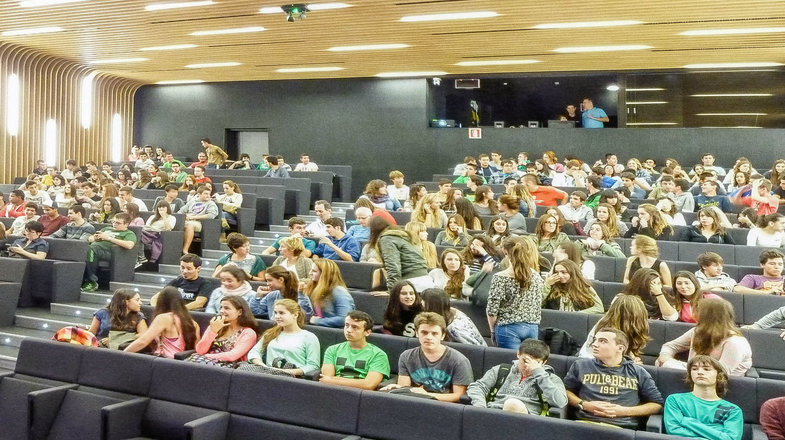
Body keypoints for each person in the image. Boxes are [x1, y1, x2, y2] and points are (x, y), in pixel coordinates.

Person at [565, 327, 663, 429]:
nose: (594, 344)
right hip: (584, 424)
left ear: (620, 348)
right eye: (595, 340)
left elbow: (657, 405)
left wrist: (624, 411)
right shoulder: (581, 365)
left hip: (620, 428)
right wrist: (583, 404)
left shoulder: (638, 372)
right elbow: (566, 391)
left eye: (602, 341)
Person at [381, 312, 473, 403]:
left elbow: (459, 396)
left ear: (443, 335)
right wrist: (400, 389)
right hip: (416, 403)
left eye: (434, 333)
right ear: (417, 333)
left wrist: (426, 395)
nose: (429, 337)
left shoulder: (459, 361)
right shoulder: (406, 356)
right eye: (424, 332)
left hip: (444, 407)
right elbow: (406, 391)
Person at [657, 298, 752, 376]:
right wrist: (665, 357)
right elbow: (670, 346)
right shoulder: (697, 331)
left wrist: (669, 363)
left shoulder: (734, 342)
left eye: (697, 311)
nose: (692, 315)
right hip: (693, 376)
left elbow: (719, 373)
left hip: (722, 386)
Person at [468, 339, 566, 413]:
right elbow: (477, 387)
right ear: (518, 354)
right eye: (525, 361)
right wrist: (480, 408)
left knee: (513, 405)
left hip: (527, 421)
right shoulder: (502, 370)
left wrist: (539, 373)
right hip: (493, 413)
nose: (528, 367)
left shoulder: (551, 379)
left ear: (544, 362)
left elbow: (560, 402)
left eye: (535, 363)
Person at [663, 355, 743, 440]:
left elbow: (730, 438)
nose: (699, 372)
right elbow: (673, 430)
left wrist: (688, 422)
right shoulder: (675, 400)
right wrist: (716, 431)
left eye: (706, 369)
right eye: (694, 369)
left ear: (719, 375)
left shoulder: (732, 410)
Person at [487, 236, 544, 349]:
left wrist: (493, 331)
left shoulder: (500, 277)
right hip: (532, 327)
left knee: (510, 364)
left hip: (508, 328)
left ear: (505, 251)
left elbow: (492, 310)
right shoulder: (536, 276)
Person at [241, 299, 320, 377]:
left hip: (294, 378)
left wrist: (286, 372)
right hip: (269, 375)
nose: (277, 316)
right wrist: (264, 367)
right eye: (275, 313)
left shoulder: (309, 337)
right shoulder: (270, 333)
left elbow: (313, 365)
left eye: (281, 313)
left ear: (295, 315)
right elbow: (254, 353)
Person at [319, 311, 390, 390]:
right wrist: (359, 383)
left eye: (355, 327)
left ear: (367, 332)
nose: (348, 330)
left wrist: (334, 380)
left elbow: (369, 385)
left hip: (362, 396)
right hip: (334, 392)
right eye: (346, 325)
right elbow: (326, 380)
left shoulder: (378, 355)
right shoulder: (332, 350)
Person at [123, 287, 200, 358]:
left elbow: (143, 341)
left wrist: (121, 355)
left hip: (162, 362)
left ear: (161, 302)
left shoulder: (164, 318)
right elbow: (197, 350)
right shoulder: (194, 323)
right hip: (182, 364)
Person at [186, 296, 259, 368]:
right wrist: (212, 331)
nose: (221, 311)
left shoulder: (249, 333)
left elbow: (232, 356)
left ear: (239, 312)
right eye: (221, 307)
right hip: (204, 360)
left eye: (226, 308)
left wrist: (206, 356)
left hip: (229, 366)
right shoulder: (216, 325)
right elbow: (200, 350)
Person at [368, 216, 431, 290]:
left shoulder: (387, 238)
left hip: (411, 282)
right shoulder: (402, 235)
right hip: (424, 280)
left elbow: (393, 266)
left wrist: (392, 291)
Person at [81, 213, 137, 292]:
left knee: (90, 250)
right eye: (113, 222)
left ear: (126, 224)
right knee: (84, 250)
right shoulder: (106, 229)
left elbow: (129, 245)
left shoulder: (129, 233)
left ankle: (92, 281)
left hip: (110, 253)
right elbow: (90, 239)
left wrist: (108, 238)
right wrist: (95, 238)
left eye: (118, 223)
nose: (114, 224)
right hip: (94, 249)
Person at [150, 253, 216, 310]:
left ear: (198, 269)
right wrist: (155, 308)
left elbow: (199, 303)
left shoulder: (205, 283)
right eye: (182, 267)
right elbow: (156, 297)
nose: (184, 271)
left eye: (189, 269)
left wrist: (179, 310)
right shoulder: (178, 281)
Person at [249, 265, 314, 319]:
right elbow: (256, 312)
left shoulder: (300, 295)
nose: (267, 284)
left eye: (270, 280)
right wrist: (258, 295)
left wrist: (301, 294)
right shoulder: (272, 295)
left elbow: (306, 316)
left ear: (281, 279)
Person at [305, 259, 355, 327]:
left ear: (324, 274)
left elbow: (344, 319)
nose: (309, 273)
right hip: (320, 328)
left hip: (335, 332)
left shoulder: (339, 292)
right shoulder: (314, 288)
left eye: (314, 271)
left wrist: (318, 321)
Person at [178, 185, 219, 254]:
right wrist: (186, 216)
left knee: (189, 225)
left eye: (209, 194)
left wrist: (194, 217)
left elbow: (211, 215)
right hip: (187, 220)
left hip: (199, 223)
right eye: (206, 194)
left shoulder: (211, 203)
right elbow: (180, 212)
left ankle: (185, 249)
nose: (208, 196)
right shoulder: (192, 202)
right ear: (199, 194)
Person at [138, 200, 176, 265]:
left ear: (167, 208)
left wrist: (164, 217)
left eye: (163, 207)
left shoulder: (171, 218)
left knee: (139, 235)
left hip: (157, 235)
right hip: (147, 233)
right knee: (138, 234)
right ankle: (141, 258)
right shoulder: (152, 217)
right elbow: (147, 226)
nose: (161, 209)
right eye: (159, 207)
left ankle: (142, 257)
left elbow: (169, 229)